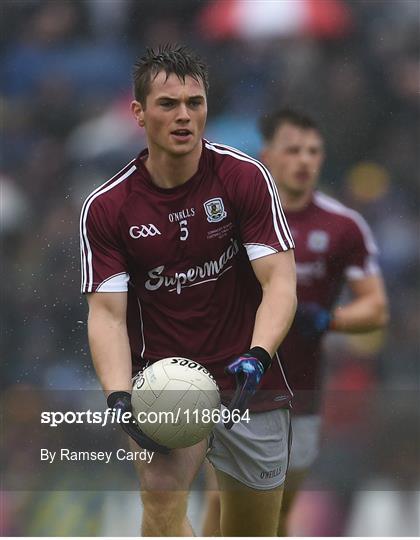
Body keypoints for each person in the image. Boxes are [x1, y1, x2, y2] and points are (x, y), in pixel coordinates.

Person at [79, 45, 297, 537]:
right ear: (138, 112)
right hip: (165, 384)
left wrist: (258, 355)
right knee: (161, 502)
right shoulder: (108, 207)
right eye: (168, 104)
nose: (184, 116)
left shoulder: (244, 177)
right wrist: (118, 395)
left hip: (248, 379)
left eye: (194, 103)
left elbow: (279, 281)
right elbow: (108, 315)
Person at [202, 108, 389, 536]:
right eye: (293, 150)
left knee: (278, 514)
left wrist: (329, 320)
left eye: (313, 151)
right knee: (223, 504)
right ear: (267, 155)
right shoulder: (229, 221)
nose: (304, 160)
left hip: (301, 395)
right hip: (235, 387)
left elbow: (374, 309)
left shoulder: (344, 227)